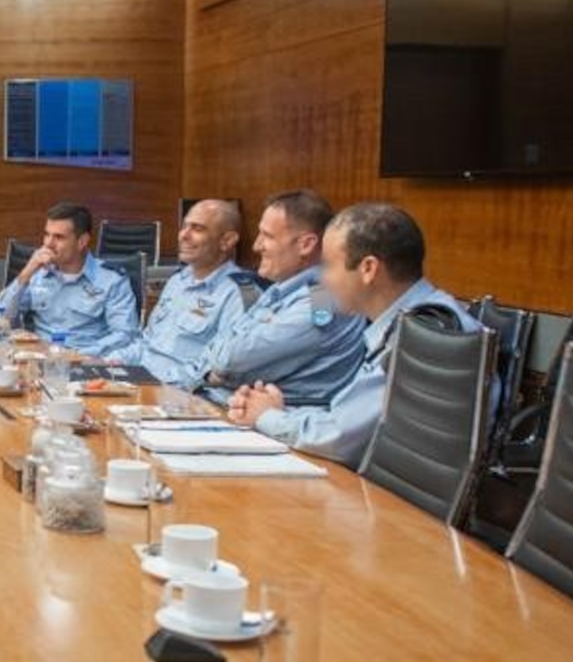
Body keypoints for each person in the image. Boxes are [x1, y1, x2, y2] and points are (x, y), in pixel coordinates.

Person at [227, 202, 478, 466]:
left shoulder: (427, 332)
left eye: (328, 265)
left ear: (368, 268)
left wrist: (267, 415)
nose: (256, 246)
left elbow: (341, 435)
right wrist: (275, 412)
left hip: (382, 489)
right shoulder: (410, 321)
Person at [193, 189, 363, 404]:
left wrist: (218, 368)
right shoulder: (280, 290)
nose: (256, 246)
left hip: (270, 426)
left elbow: (230, 361)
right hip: (223, 405)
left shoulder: (323, 302)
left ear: (306, 245)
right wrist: (216, 367)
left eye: (267, 236)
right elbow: (223, 348)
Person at [114, 199, 246, 382]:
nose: (184, 235)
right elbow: (146, 343)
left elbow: (216, 370)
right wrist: (109, 362)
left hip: (179, 394)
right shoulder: (177, 281)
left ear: (227, 240)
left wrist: (151, 384)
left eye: (197, 229)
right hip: (140, 381)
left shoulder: (237, 294)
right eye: (184, 227)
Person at [0, 202, 140, 356]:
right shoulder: (39, 273)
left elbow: (125, 335)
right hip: (39, 360)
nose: (48, 243)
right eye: (47, 235)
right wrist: (27, 272)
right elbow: (0, 319)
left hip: (86, 363)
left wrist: (76, 355)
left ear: (82, 241)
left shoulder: (111, 280)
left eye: (59, 237)